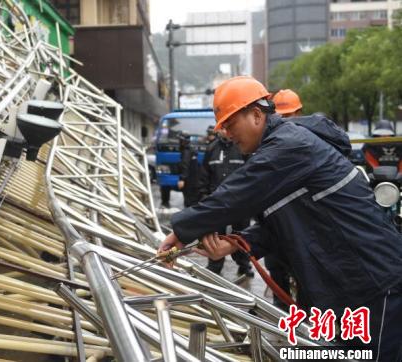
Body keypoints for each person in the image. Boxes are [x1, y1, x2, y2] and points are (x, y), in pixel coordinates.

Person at [159, 76, 402, 360]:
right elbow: (279, 224)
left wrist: (180, 230)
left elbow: (235, 196)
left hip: (372, 282)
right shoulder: (276, 153)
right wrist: (236, 243)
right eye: (223, 126)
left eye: (230, 123)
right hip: (341, 289)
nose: (227, 134)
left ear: (256, 115)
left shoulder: (289, 145)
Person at [265, 88, 305, 309]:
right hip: (275, 229)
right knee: (278, 287)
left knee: (308, 287)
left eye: (288, 116)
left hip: (303, 231)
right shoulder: (267, 147)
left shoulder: (310, 144)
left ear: (298, 114)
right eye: (280, 117)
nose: (284, 122)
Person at [199, 125, 253, 277]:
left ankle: (244, 265)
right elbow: (204, 176)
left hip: (240, 202)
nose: (224, 131)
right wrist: (204, 198)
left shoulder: (242, 146)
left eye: (226, 128)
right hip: (217, 203)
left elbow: (252, 173)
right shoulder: (211, 149)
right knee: (215, 236)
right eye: (221, 128)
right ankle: (214, 266)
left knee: (241, 235)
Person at [177, 131, 200, 207]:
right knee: (194, 201)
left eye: (180, 140)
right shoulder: (192, 149)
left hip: (189, 182)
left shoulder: (186, 151)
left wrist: (182, 179)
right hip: (195, 180)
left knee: (189, 202)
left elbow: (185, 165)